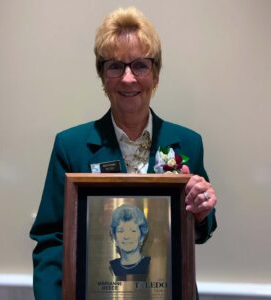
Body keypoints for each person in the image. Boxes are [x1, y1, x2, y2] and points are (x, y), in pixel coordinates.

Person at [30, 6, 217, 299]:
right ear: (102, 76)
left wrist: (202, 212)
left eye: (140, 65)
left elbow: (200, 231)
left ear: (155, 74)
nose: (128, 79)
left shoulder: (188, 143)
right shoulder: (70, 146)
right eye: (115, 66)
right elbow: (51, 240)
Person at [109, 204, 150, 277]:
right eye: (120, 231)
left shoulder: (149, 264)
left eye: (133, 231)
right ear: (115, 238)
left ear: (141, 237)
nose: (126, 236)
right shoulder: (112, 266)